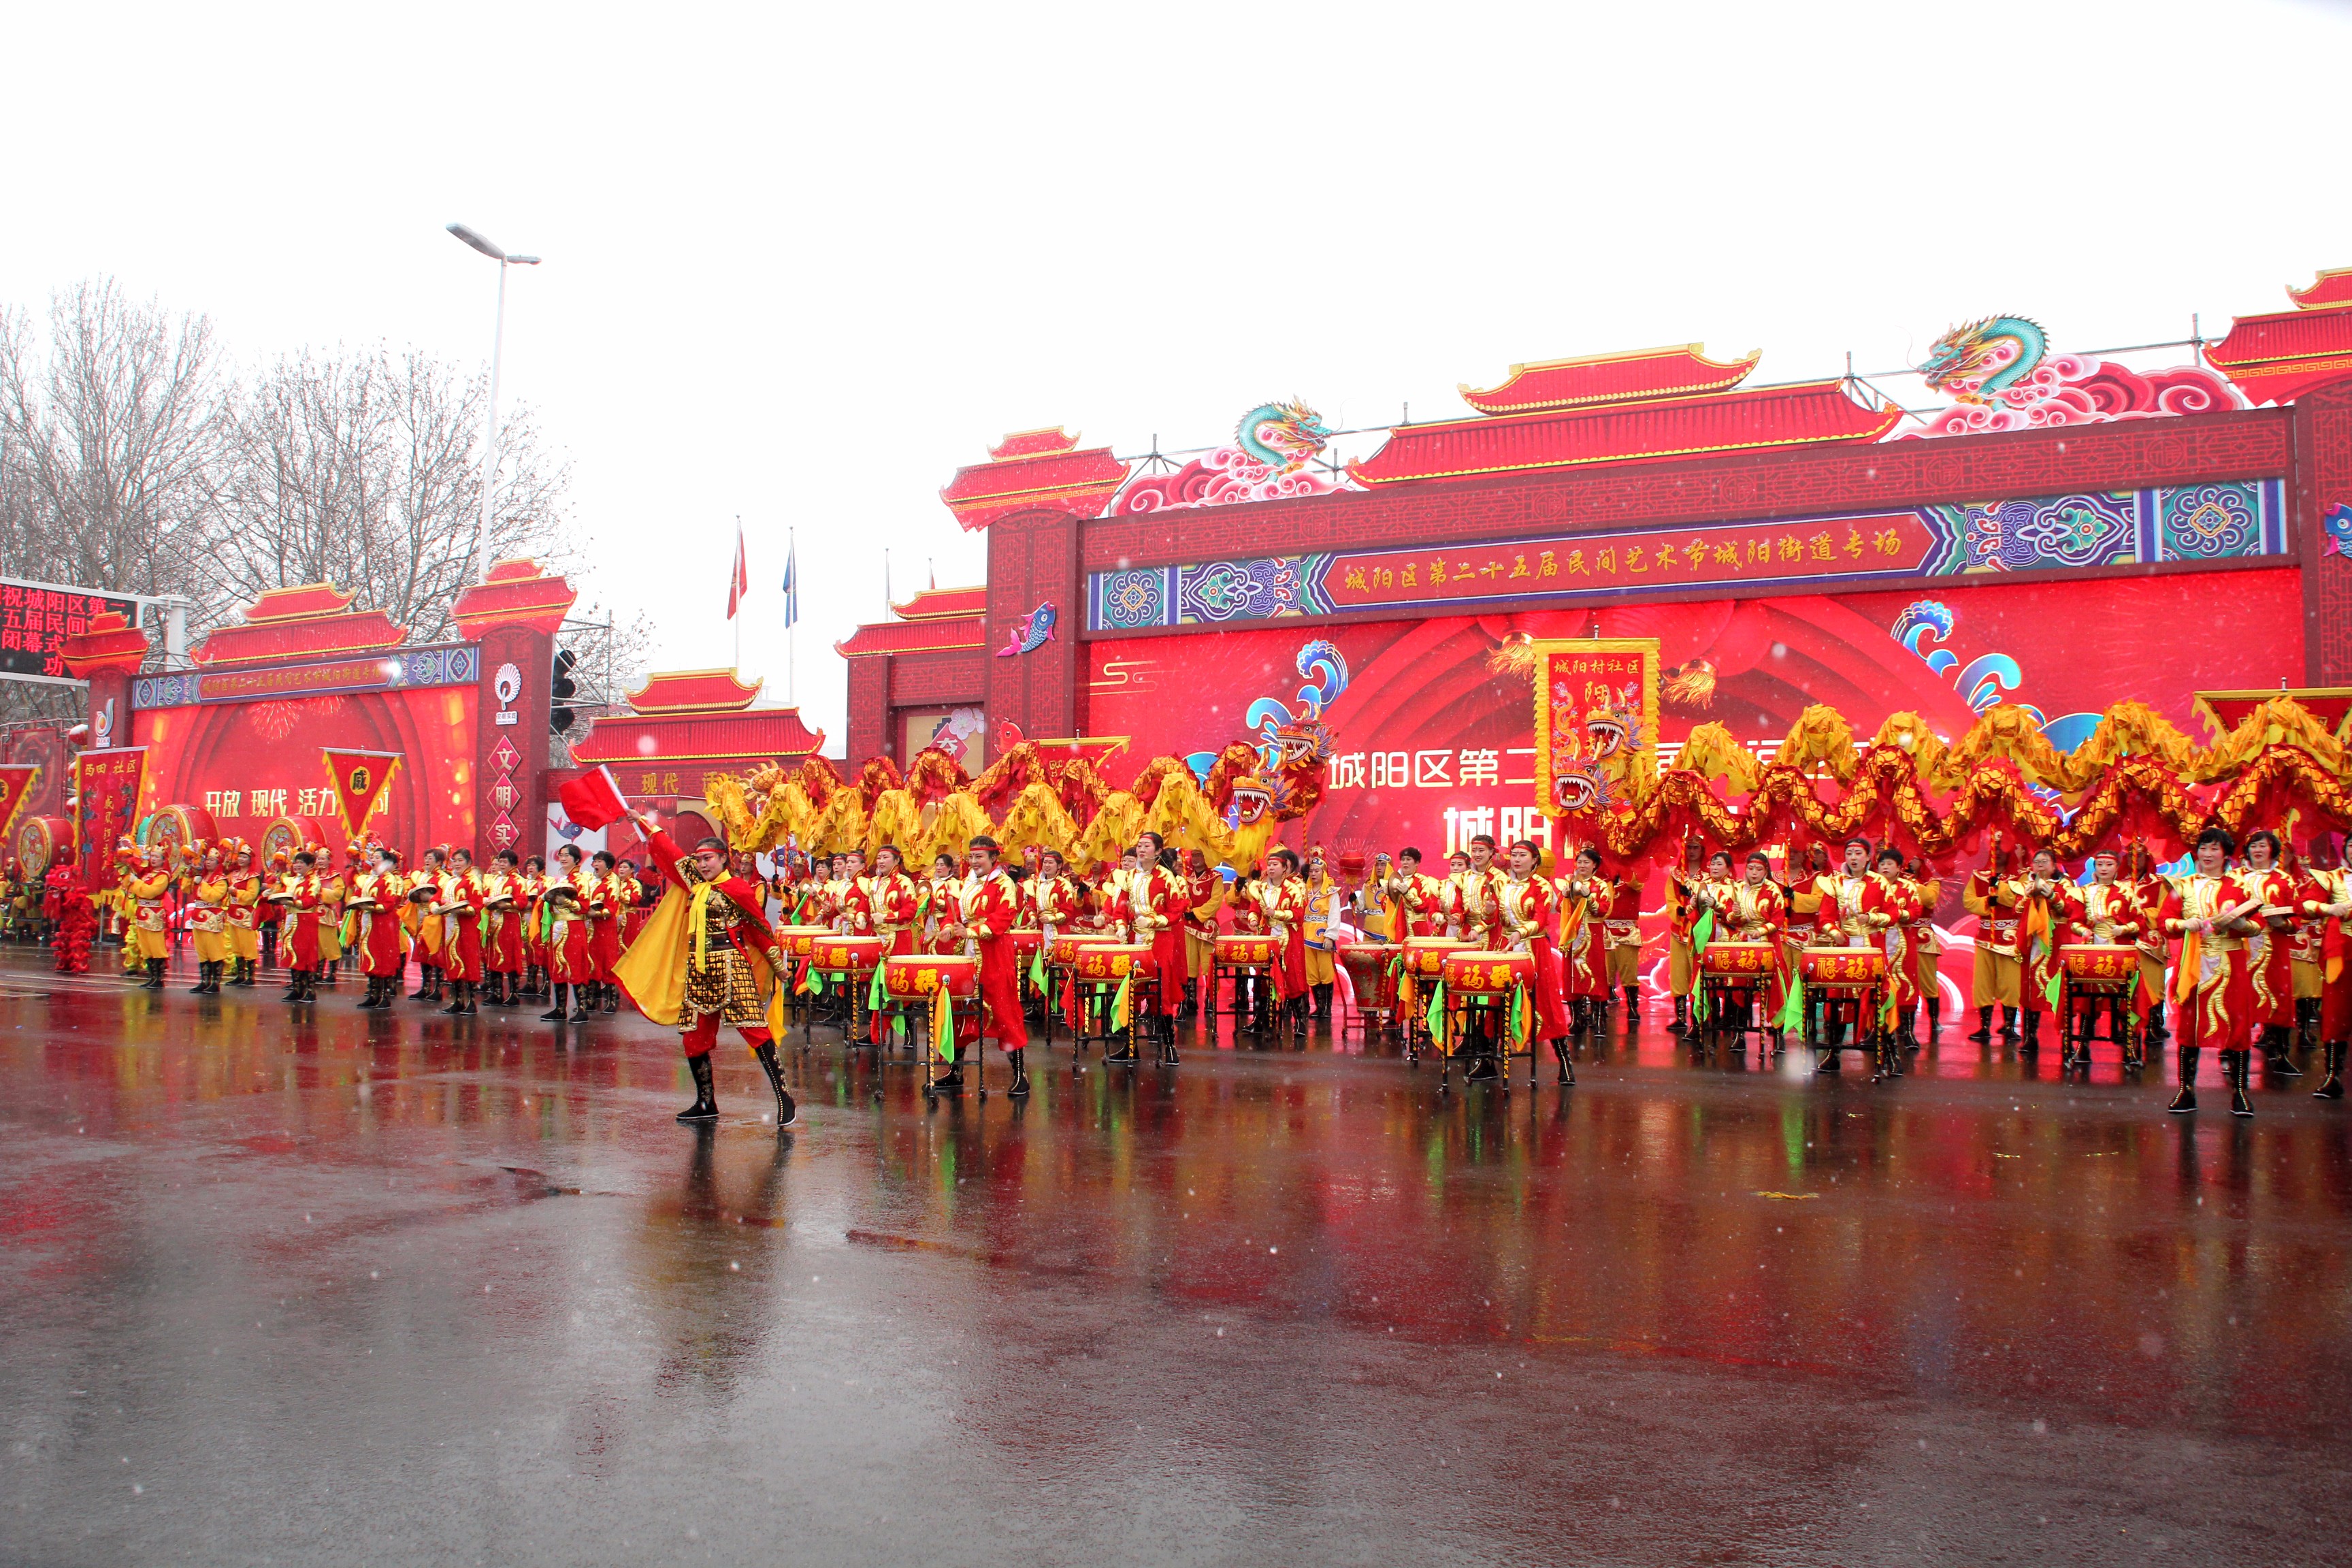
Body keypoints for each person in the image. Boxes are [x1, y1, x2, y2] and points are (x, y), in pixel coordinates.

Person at [612, 809, 795, 1125]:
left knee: (754, 1030)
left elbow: (759, 928)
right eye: (699, 860)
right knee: (693, 1038)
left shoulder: (737, 888)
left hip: (732, 967)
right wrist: (641, 822)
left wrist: (779, 967)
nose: (703, 864)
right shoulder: (696, 884)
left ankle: (785, 1099)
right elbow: (671, 855)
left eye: (709, 858)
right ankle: (705, 1101)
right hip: (699, 970)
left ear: (724, 859)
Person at [2159, 828, 2264, 1115]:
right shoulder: (2183, 886)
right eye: (2203, 848)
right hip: (2195, 962)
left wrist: (2242, 925)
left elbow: (2258, 924)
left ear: (2226, 855)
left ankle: (2240, 1092)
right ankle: (2186, 1090)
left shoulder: (2240, 886)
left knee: (2237, 1025)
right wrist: (2184, 925)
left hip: (2231, 963)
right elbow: (2164, 921)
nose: (2207, 854)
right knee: (2189, 1026)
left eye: (2214, 849)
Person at [932, 835, 1032, 1094]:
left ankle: (1020, 1074)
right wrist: (948, 929)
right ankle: (955, 1072)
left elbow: (1003, 919)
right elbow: (955, 915)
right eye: (971, 857)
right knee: (960, 1010)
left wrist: (971, 932)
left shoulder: (1004, 884)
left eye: (979, 857)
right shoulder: (966, 883)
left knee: (1004, 1010)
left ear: (993, 858)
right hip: (967, 956)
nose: (974, 861)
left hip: (994, 954)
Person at [1500, 839, 1573, 1084]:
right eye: (1514, 855)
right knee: (1498, 1000)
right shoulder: (1502, 884)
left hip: (1534, 948)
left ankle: (1565, 1063)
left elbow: (1541, 919)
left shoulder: (1542, 886)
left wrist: (1520, 933)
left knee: (1546, 1002)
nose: (1517, 860)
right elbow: (1496, 918)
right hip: (1507, 947)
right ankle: (1488, 1061)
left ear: (1534, 861)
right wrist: (1489, 912)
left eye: (1523, 855)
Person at [2066, 849, 2145, 1067]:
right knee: (2088, 1000)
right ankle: (2083, 1046)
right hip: (2092, 951)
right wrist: (2084, 930)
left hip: (2120, 950)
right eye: (2100, 864)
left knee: (2125, 1000)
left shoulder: (2127, 892)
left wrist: (2123, 929)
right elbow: (2074, 921)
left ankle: (2130, 1048)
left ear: (2117, 867)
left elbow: (2140, 922)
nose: (2104, 869)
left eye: (2109, 865)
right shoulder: (2084, 892)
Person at [2239, 829, 2301, 1076]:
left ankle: (2280, 1053)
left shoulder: (2285, 880)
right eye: (2254, 846)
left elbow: (2296, 917)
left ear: (2273, 850)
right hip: (2241, 947)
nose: (2258, 850)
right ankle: (2233, 1049)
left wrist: (2282, 923)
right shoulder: (2234, 879)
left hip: (2274, 948)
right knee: (2237, 997)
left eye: (2263, 846)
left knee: (2279, 996)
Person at [2300, 839, 2352, 1099]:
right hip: (2341, 953)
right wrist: (2329, 908)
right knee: (2335, 1014)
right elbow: (2305, 904)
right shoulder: (2332, 878)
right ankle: (2333, 1075)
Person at [1129, 832, 1189, 1051]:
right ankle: (1130, 1046)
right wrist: (1119, 924)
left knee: (1161, 989)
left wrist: (1154, 920)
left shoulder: (1166, 877)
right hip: (1134, 940)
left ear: (1158, 851)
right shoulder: (1130, 876)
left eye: (1147, 846)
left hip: (1160, 940)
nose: (1142, 849)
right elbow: (1121, 906)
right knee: (1130, 990)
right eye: (1139, 845)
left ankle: (1170, 1046)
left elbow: (1177, 909)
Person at [1963, 845, 2024, 1043]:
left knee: (2011, 983)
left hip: (2009, 938)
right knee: (1984, 984)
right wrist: (1988, 901)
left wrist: (1999, 888)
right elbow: (1969, 901)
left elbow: (2020, 902)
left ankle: (2009, 1026)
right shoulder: (1979, 876)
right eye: (1994, 848)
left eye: (2001, 848)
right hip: (1985, 938)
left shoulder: (2021, 877)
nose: (1997, 852)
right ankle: (1984, 1026)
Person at [1554, 847, 1613, 1043]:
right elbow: (1559, 908)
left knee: (1596, 974)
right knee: (1571, 975)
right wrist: (1564, 896)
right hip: (1572, 934)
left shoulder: (1601, 885)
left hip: (1592, 935)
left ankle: (1599, 1020)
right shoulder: (1570, 883)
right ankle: (1576, 1020)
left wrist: (1589, 898)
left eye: (1586, 862)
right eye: (1579, 862)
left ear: (1595, 865)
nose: (1582, 865)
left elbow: (1603, 911)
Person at [1254, 848, 1311, 1043]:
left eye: (1275, 865)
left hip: (1289, 941)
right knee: (1263, 980)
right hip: (1267, 940)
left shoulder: (1293, 889)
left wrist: (1277, 914)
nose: (1270, 868)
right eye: (1269, 865)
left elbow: (1299, 915)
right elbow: (1255, 908)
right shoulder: (1261, 888)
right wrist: (1254, 919)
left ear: (1285, 868)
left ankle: (1300, 1022)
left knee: (1292, 980)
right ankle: (1261, 1021)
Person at [542, 843, 595, 1024]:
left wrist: (565, 901)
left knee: (575, 965)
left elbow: (584, 907)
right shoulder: (556, 880)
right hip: (557, 926)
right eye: (561, 855)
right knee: (558, 966)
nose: (563, 858)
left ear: (577, 859)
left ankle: (582, 1009)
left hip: (574, 926)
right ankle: (560, 1009)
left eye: (567, 855)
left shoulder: (581, 880)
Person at [353, 845, 409, 1008]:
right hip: (370, 921)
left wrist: (373, 907)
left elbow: (390, 903)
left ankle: (384, 996)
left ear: (386, 861)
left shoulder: (390, 879)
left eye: (377, 857)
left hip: (384, 922)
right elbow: (358, 895)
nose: (374, 859)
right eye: (373, 857)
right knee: (370, 954)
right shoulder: (370, 879)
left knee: (383, 957)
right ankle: (373, 993)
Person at [435, 847, 486, 1016]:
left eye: (460, 860)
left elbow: (476, 904)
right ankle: (458, 1000)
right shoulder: (450, 881)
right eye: (454, 861)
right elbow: (437, 897)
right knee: (453, 960)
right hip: (450, 926)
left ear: (469, 862)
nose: (456, 864)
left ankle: (471, 1002)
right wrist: (434, 905)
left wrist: (462, 910)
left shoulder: (473, 880)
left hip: (466, 927)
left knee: (468, 960)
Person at [1665, 837, 1708, 1035]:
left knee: (1699, 973)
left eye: (1695, 847)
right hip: (1679, 929)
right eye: (1689, 847)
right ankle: (1681, 1016)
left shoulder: (1709, 875)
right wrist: (1680, 911)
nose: (1692, 851)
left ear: (1702, 850)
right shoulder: (1676, 874)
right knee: (1679, 974)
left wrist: (1692, 896)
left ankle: (1701, 1017)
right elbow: (1670, 899)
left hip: (1699, 932)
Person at [274, 850, 326, 1002]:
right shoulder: (293, 880)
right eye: (296, 862)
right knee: (293, 952)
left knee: (307, 954)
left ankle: (310, 990)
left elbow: (310, 900)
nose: (297, 865)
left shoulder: (314, 881)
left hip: (306, 920)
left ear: (310, 865)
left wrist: (294, 903)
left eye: (301, 863)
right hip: (292, 919)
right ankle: (297, 989)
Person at [120, 843, 174, 991]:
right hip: (142, 913)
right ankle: (152, 977)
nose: (153, 859)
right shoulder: (148, 874)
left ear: (163, 860)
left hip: (154, 914)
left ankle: (159, 979)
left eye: (157, 857)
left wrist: (136, 882)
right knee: (146, 948)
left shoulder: (163, 876)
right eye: (152, 856)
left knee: (156, 947)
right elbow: (135, 890)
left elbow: (150, 892)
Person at [1180, 850, 1224, 1017]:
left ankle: (1211, 1000)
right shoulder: (1185, 876)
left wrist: (1197, 913)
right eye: (1194, 855)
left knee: (1208, 965)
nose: (1196, 859)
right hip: (1188, 926)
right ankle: (1190, 1000)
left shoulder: (1215, 877)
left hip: (1207, 927)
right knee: (1189, 965)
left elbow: (1216, 901)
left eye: (1200, 855)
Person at [183, 841, 231, 994]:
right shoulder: (202, 877)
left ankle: (215, 983)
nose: (208, 862)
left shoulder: (221, 880)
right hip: (199, 917)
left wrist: (202, 884)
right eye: (208, 860)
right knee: (202, 951)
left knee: (214, 950)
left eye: (212, 860)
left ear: (218, 863)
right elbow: (186, 889)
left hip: (212, 917)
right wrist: (190, 876)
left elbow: (214, 896)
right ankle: (204, 981)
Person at [483, 849, 525, 1005]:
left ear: (513, 864)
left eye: (504, 862)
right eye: (500, 861)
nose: (501, 864)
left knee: (511, 956)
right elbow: (485, 894)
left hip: (509, 921)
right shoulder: (495, 879)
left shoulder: (518, 880)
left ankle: (514, 994)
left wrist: (506, 905)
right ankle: (497, 992)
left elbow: (522, 901)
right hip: (494, 921)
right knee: (494, 955)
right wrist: (486, 900)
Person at [44, 848, 94, 974]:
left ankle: (80, 964)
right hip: (67, 924)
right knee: (64, 943)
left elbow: (76, 904)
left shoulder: (76, 893)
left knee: (78, 944)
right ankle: (65, 963)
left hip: (78, 925)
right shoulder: (63, 895)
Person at [1381, 847, 1443, 939]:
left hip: (1417, 927)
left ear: (1417, 863)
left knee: (1417, 948)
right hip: (1398, 926)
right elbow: (1385, 909)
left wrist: (1407, 893)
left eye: (1408, 859)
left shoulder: (1423, 880)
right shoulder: (1394, 880)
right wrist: (1388, 895)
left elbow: (1424, 906)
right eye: (1403, 860)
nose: (1405, 862)